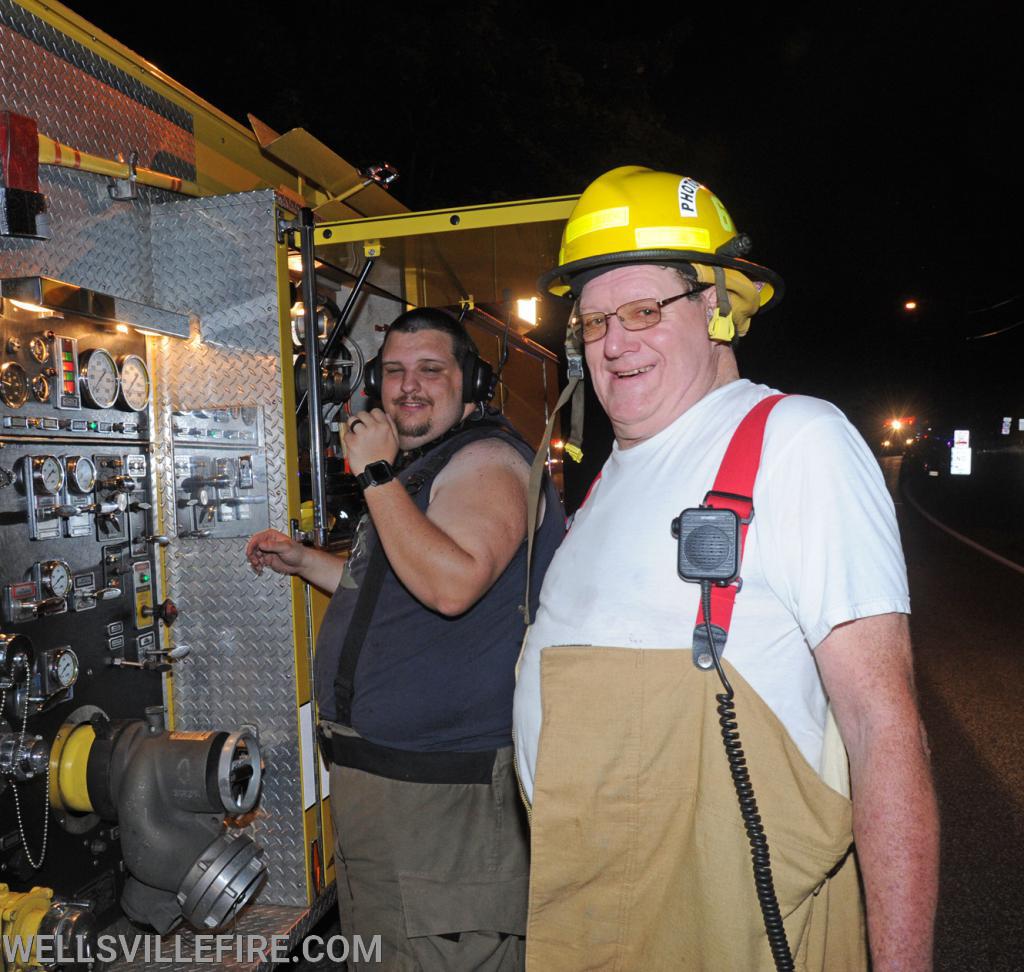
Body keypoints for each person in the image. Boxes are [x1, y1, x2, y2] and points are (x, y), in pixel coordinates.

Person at [513, 167, 939, 971]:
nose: (613, 341)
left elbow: (886, 734)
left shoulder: (795, 442)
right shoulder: (608, 475)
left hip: (731, 931)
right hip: (593, 913)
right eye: (595, 319)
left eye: (643, 310)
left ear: (715, 307)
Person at [247, 307, 562, 970]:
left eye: (429, 370)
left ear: (469, 383)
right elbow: (402, 586)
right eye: (393, 371)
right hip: (393, 791)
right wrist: (307, 562)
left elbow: (452, 584)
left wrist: (376, 476)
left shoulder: (486, 463)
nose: (407, 385)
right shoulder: (429, 467)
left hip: (443, 804)